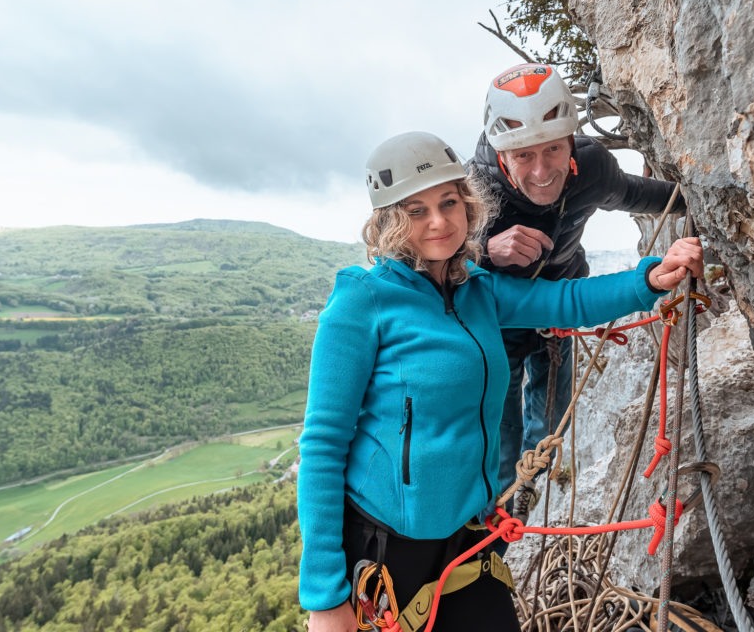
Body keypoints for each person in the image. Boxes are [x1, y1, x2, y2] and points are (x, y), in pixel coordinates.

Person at [297, 131, 702, 632]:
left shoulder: (478, 291)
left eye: (449, 202)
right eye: (416, 211)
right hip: (383, 552)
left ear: (468, 206)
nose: (440, 221)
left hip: (469, 539)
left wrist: (649, 279)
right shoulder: (363, 301)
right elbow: (322, 445)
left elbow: (567, 301)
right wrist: (324, 597)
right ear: (389, 222)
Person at [469, 63, 687, 514]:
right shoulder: (474, 193)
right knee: (502, 433)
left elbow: (632, 192)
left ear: (570, 140)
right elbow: (430, 260)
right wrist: (484, 249)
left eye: (551, 149)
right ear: (501, 153)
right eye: (523, 156)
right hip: (498, 320)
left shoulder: (589, 170)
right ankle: (500, 517)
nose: (542, 170)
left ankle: (532, 481)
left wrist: (695, 197)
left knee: (553, 417)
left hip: (561, 307)